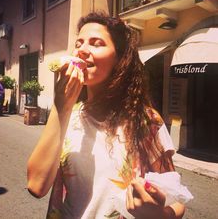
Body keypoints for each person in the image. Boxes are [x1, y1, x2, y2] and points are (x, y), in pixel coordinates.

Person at [27, 12, 185, 218]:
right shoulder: (68, 116)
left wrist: (158, 214)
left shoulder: (146, 121)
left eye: (96, 43)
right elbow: (36, 185)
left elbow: (178, 200)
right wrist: (61, 107)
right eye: (79, 43)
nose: (82, 50)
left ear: (119, 59)